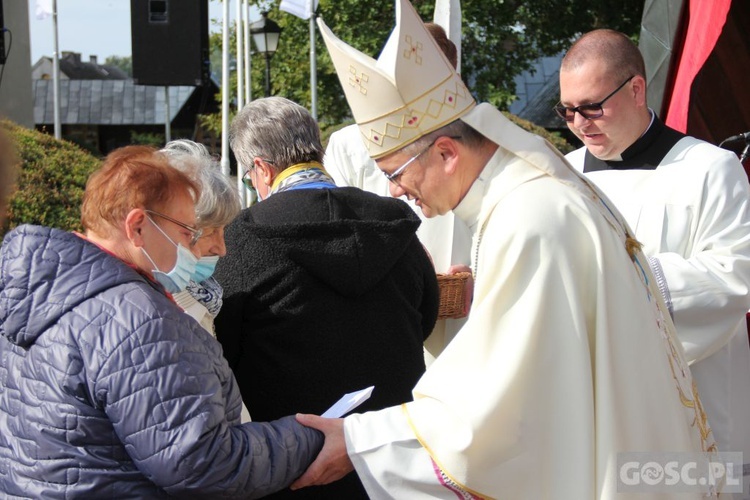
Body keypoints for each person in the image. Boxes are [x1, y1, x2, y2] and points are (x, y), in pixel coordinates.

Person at [289, 1, 721, 498]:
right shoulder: (528, 195)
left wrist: (360, 442)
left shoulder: (528, 218)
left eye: (395, 173)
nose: (394, 191)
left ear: (448, 153)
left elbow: (499, 410)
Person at [0, 146, 322, 498]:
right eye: (188, 232)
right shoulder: (136, 318)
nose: (204, 248)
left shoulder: (43, 293)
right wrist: (311, 438)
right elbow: (202, 464)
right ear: (137, 227)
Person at [212, 96, 440, 499]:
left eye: (250, 176)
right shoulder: (393, 221)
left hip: (295, 454)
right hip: (391, 448)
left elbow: (224, 342)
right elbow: (425, 315)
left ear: (261, 168)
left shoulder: (245, 235)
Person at [558, 29, 750, 477]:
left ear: (637, 88)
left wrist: (628, 279)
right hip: (597, 401)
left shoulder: (709, 168)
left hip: (695, 396)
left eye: (592, 106)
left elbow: (736, 274)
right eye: (567, 111)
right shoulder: (561, 177)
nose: (580, 122)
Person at [325, 22, 472, 364]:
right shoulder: (350, 144)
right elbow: (338, 224)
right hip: (383, 304)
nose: (397, 189)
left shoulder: (473, 137)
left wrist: (481, 271)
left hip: (464, 312)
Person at [159, 139, 241, 337]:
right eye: (210, 232)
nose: (221, 249)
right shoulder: (158, 310)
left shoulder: (200, 295)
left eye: (224, 231)